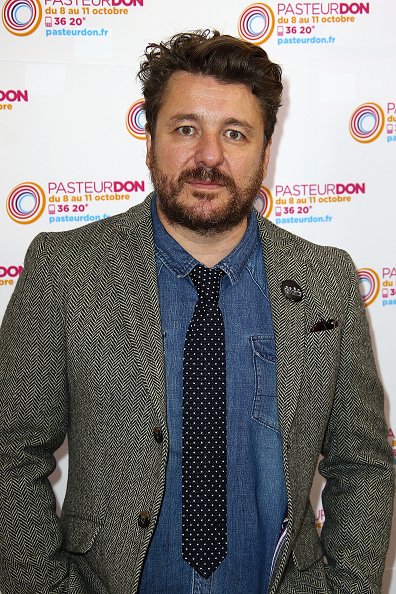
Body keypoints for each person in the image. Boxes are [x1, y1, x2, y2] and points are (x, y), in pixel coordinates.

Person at [0, 30, 393, 594]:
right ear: (150, 138)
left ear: (265, 148)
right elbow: (10, 450)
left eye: (234, 133)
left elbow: (364, 463)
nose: (208, 156)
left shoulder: (325, 280)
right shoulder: (68, 269)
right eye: (186, 129)